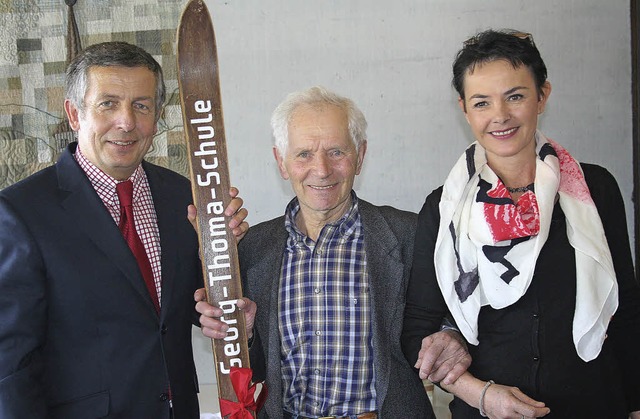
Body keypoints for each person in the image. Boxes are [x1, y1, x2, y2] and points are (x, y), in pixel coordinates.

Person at [0, 41, 247, 418]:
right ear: (74, 113)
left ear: (158, 115)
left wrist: (222, 260)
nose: (127, 122)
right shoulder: (21, 212)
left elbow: (183, 310)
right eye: (108, 104)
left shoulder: (185, 195)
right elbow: (10, 363)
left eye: (142, 105)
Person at [401, 29, 640, 419]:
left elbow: (626, 306)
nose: (500, 116)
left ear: (542, 95)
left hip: (594, 404)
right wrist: (481, 396)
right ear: (464, 109)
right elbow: (418, 330)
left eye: (515, 96)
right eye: (482, 102)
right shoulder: (444, 208)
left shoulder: (593, 189)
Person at [196, 85, 472, 419]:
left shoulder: (410, 235)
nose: (322, 170)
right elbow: (252, 371)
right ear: (281, 163)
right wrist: (246, 333)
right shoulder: (253, 248)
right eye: (303, 154)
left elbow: (457, 318)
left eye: (336, 152)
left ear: (360, 155)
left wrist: (451, 337)